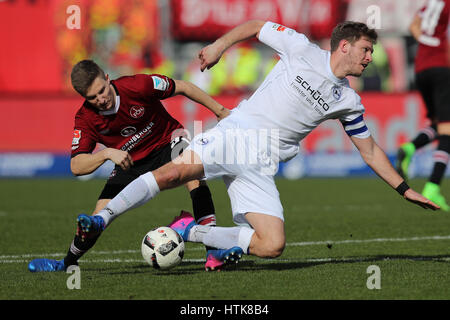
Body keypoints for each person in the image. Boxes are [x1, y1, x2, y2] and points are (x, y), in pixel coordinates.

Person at [68, 21, 440, 272]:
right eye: (365, 49)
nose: (369, 57)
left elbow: (370, 151)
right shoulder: (300, 49)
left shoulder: (349, 102)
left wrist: (404, 190)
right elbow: (256, 26)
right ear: (345, 46)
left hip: (261, 162)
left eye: (370, 52)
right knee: (176, 171)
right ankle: (102, 217)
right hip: (238, 133)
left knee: (271, 245)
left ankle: (187, 230)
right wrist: (217, 46)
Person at [28, 60, 229, 272]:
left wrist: (220, 110)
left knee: (193, 175)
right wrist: (105, 153)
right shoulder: (86, 118)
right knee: (97, 217)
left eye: (102, 91)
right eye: (92, 97)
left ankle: (213, 251)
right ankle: (67, 263)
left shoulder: (137, 85)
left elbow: (184, 86)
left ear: (107, 78)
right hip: (130, 161)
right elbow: (76, 166)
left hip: (168, 141)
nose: (101, 99)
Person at [396, 0, 450, 211]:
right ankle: (433, 186)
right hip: (442, 69)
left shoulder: (432, 2)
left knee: (440, 123)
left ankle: (410, 147)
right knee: (447, 133)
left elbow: (413, 27)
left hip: (421, 69)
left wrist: (429, 43)